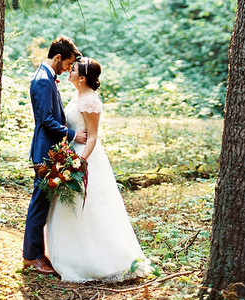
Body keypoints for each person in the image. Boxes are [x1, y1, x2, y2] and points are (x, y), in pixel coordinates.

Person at [45, 56, 151, 282]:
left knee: (91, 208)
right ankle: (68, 255)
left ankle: (99, 260)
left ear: (82, 78)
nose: (68, 71)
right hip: (71, 153)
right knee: (68, 207)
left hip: (86, 157)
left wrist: (80, 163)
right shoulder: (78, 94)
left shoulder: (91, 102)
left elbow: (92, 137)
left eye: (72, 69)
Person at [22, 35, 87, 274]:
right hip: (44, 151)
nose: (69, 68)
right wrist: (71, 135)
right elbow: (45, 120)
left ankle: (37, 252)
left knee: (43, 202)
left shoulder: (48, 77)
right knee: (39, 203)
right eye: (68, 63)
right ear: (58, 57)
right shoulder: (42, 80)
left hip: (51, 149)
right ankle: (31, 257)